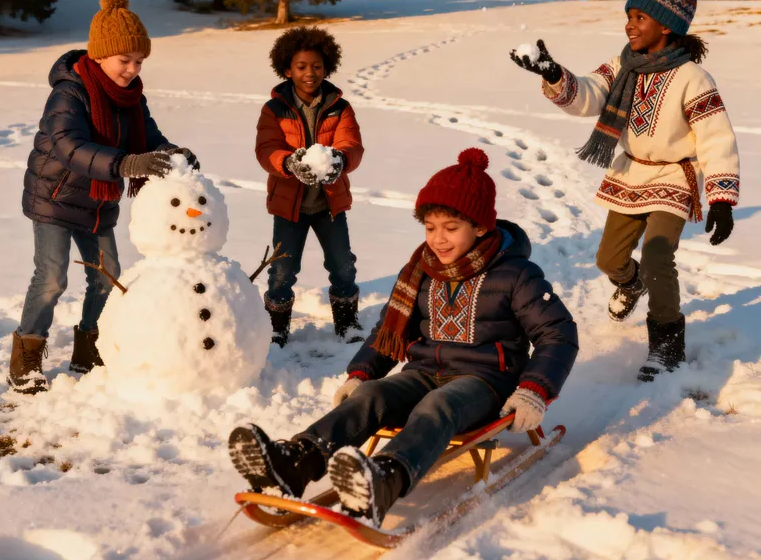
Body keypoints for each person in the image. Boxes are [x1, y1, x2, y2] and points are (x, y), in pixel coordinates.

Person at [229, 149, 578, 527]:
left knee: (439, 405)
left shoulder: (516, 274)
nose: (438, 240)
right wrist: (361, 373)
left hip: (486, 381)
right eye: (430, 228)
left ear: (479, 226)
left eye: (450, 227)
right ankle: (295, 462)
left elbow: (558, 334)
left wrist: (534, 389)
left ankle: (384, 479)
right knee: (371, 397)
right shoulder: (420, 270)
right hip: (424, 371)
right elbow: (388, 331)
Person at [510, 0, 740, 381]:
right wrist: (552, 73)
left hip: (673, 177)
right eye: (629, 16)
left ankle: (667, 345)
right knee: (608, 260)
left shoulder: (693, 78)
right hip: (630, 174)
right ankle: (630, 284)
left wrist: (721, 197)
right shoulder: (622, 63)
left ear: (666, 26)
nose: (629, 25)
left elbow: (716, 138)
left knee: (656, 255)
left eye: (640, 18)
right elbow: (588, 95)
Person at [11, 0, 197, 394]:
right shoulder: (69, 93)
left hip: (96, 201)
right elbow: (69, 146)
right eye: (124, 60)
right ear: (99, 56)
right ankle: (26, 356)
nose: (132, 69)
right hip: (55, 197)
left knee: (106, 277)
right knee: (52, 278)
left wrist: (172, 154)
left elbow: (148, 137)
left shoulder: (131, 98)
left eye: (139, 62)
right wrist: (127, 164)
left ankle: (89, 347)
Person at [255, 26, 364, 346]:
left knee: (342, 264)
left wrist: (340, 161)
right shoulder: (274, 109)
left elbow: (352, 145)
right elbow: (265, 149)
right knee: (282, 270)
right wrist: (287, 163)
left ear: (326, 67)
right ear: (287, 70)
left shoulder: (339, 106)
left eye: (316, 66)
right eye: (301, 67)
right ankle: (276, 327)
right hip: (289, 206)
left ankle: (347, 322)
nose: (309, 73)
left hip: (330, 204)